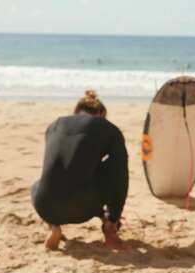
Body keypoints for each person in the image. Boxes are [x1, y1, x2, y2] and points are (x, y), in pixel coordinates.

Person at [31, 90, 129, 250]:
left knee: (40, 183)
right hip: (84, 209)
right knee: (111, 169)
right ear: (102, 114)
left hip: (45, 206)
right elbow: (120, 176)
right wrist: (114, 218)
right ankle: (109, 229)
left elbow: (66, 170)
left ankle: (54, 227)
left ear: (76, 111)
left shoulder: (53, 126)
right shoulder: (108, 128)